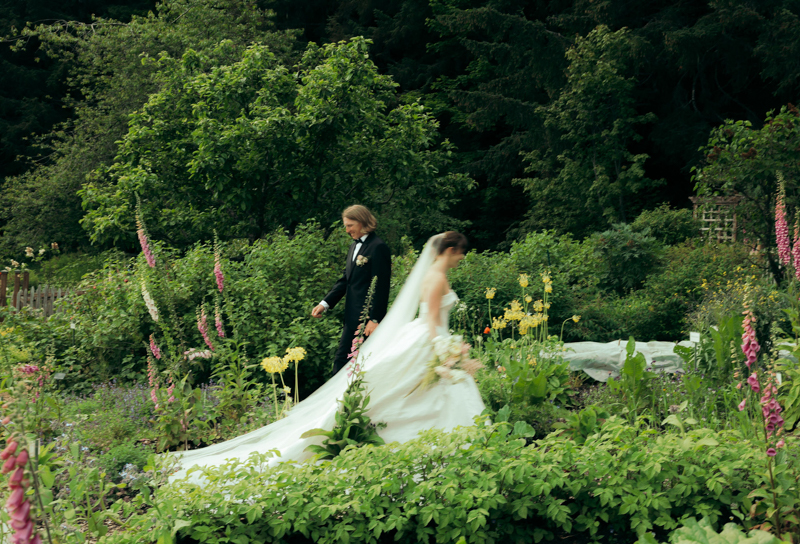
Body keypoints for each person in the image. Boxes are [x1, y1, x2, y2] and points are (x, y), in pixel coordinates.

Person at [171, 231, 485, 482]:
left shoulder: (432, 274)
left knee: (421, 392)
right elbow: (432, 320)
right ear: (450, 250)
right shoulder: (436, 278)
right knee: (427, 391)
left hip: (428, 338)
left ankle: (442, 446)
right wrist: (446, 350)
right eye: (461, 253)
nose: (462, 258)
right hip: (429, 340)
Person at [311, 205, 391, 374]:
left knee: (352, 363)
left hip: (367, 320)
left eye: (350, 225)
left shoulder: (378, 247)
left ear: (362, 222)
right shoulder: (354, 247)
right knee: (346, 363)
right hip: (351, 316)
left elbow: (381, 287)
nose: (347, 230)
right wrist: (325, 304)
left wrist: (375, 319)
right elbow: (345, 281)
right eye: (346, 226)